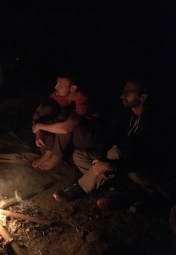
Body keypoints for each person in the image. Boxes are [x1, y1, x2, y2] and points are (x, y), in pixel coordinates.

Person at [53, 78, 168, 208]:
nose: (122, 95)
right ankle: (122, 189)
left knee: (114, 152)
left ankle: (80, 188)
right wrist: (101, 158)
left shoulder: (154, 122)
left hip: (141, 169)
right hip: (120, 161)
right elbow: (108, 138)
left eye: (129, 92)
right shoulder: (124, 113)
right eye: (123, 91)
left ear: (143, 97)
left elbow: (144, 159)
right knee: (79, 156)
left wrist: (112, 165)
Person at [31, 73, 99, 171]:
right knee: (48, 109)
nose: (55, 87)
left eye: (60, 84)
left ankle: (56, 157)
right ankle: (48, 152)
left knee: (65, 117)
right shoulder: (58, 95)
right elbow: (38, 112)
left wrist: (40, 126)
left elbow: (67, 127)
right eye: (56, 83)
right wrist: (38, 133)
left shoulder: (83, 98)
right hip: (71, 131)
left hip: (88, 137)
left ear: (73, 88)